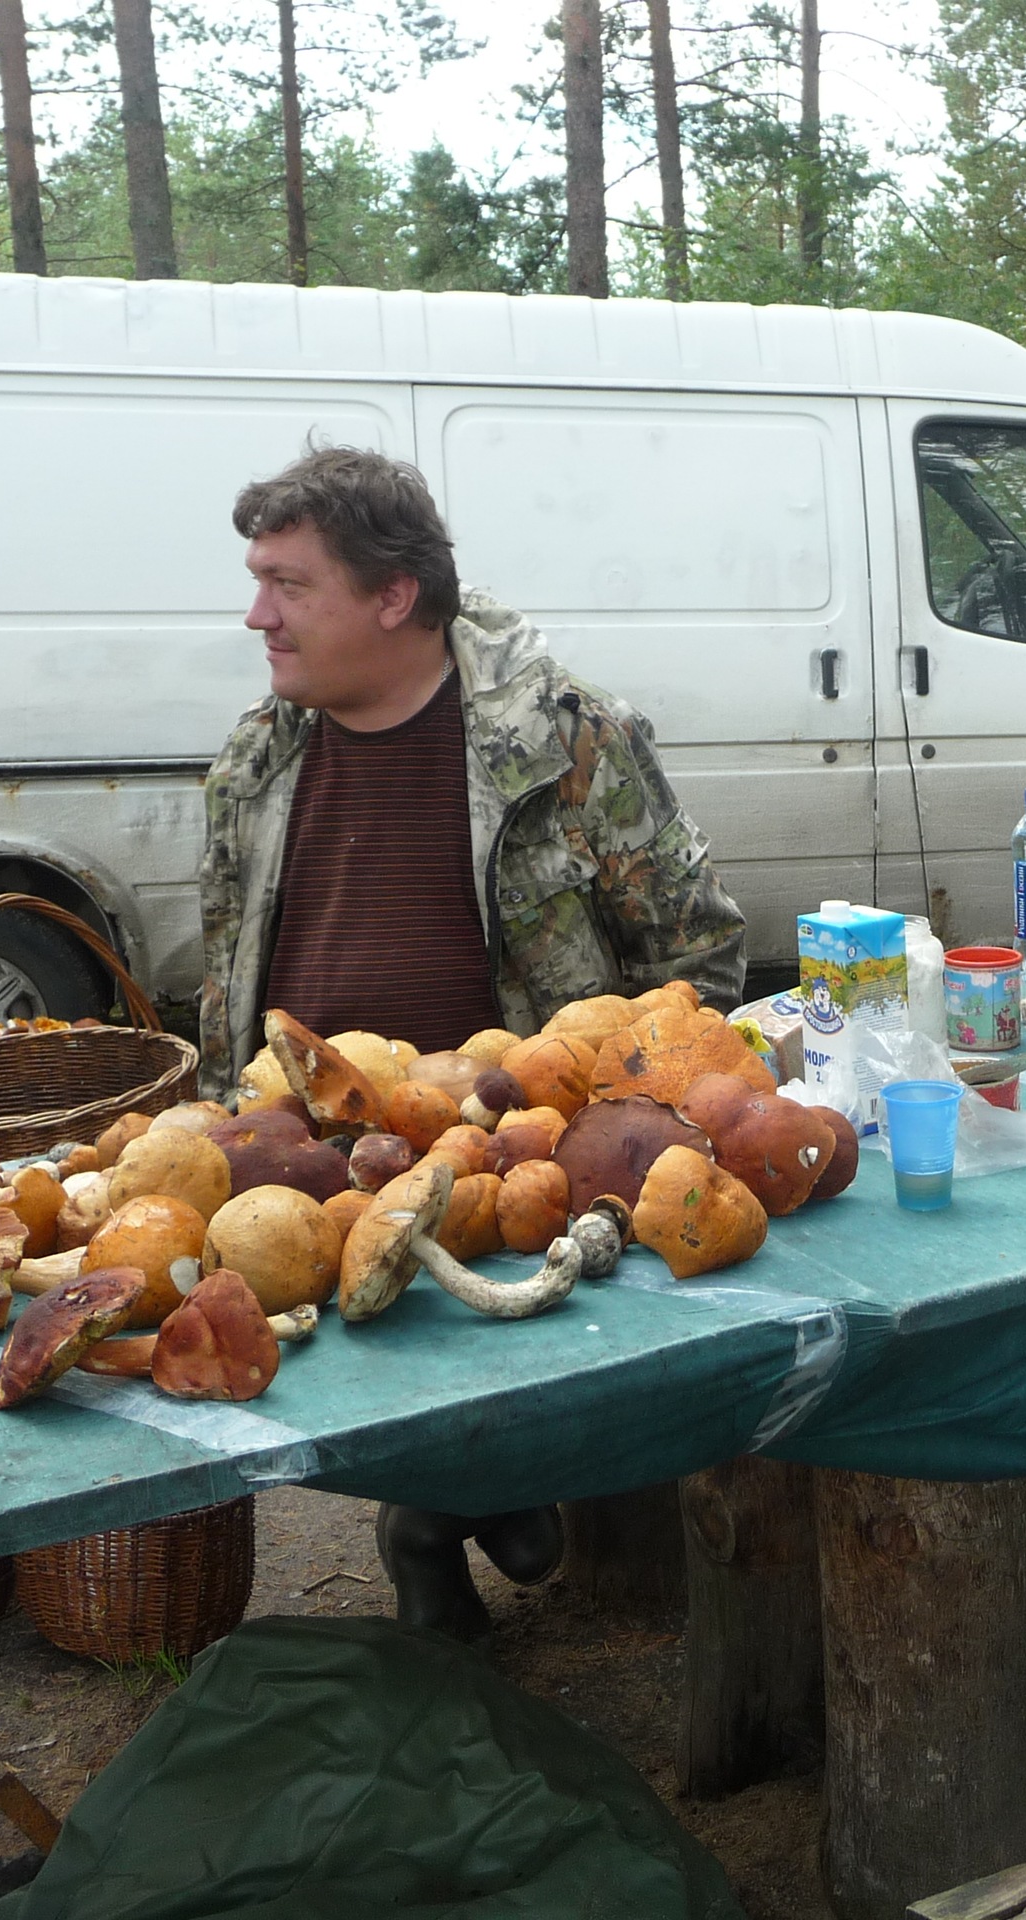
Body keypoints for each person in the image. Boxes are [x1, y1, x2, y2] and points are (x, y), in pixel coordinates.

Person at [199, 444, 746, 1639]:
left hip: (522, 1151)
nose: (258, 616)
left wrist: (625, 1115)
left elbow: (696, 952)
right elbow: (228, 963)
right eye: (258, 583)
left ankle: (448, 1510)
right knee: (359, 1347)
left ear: (393, 595)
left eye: (289, 585)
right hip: (319, 1152)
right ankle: (451, 1504)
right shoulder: (258, 757)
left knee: (513, 1353)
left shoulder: (562, 741)